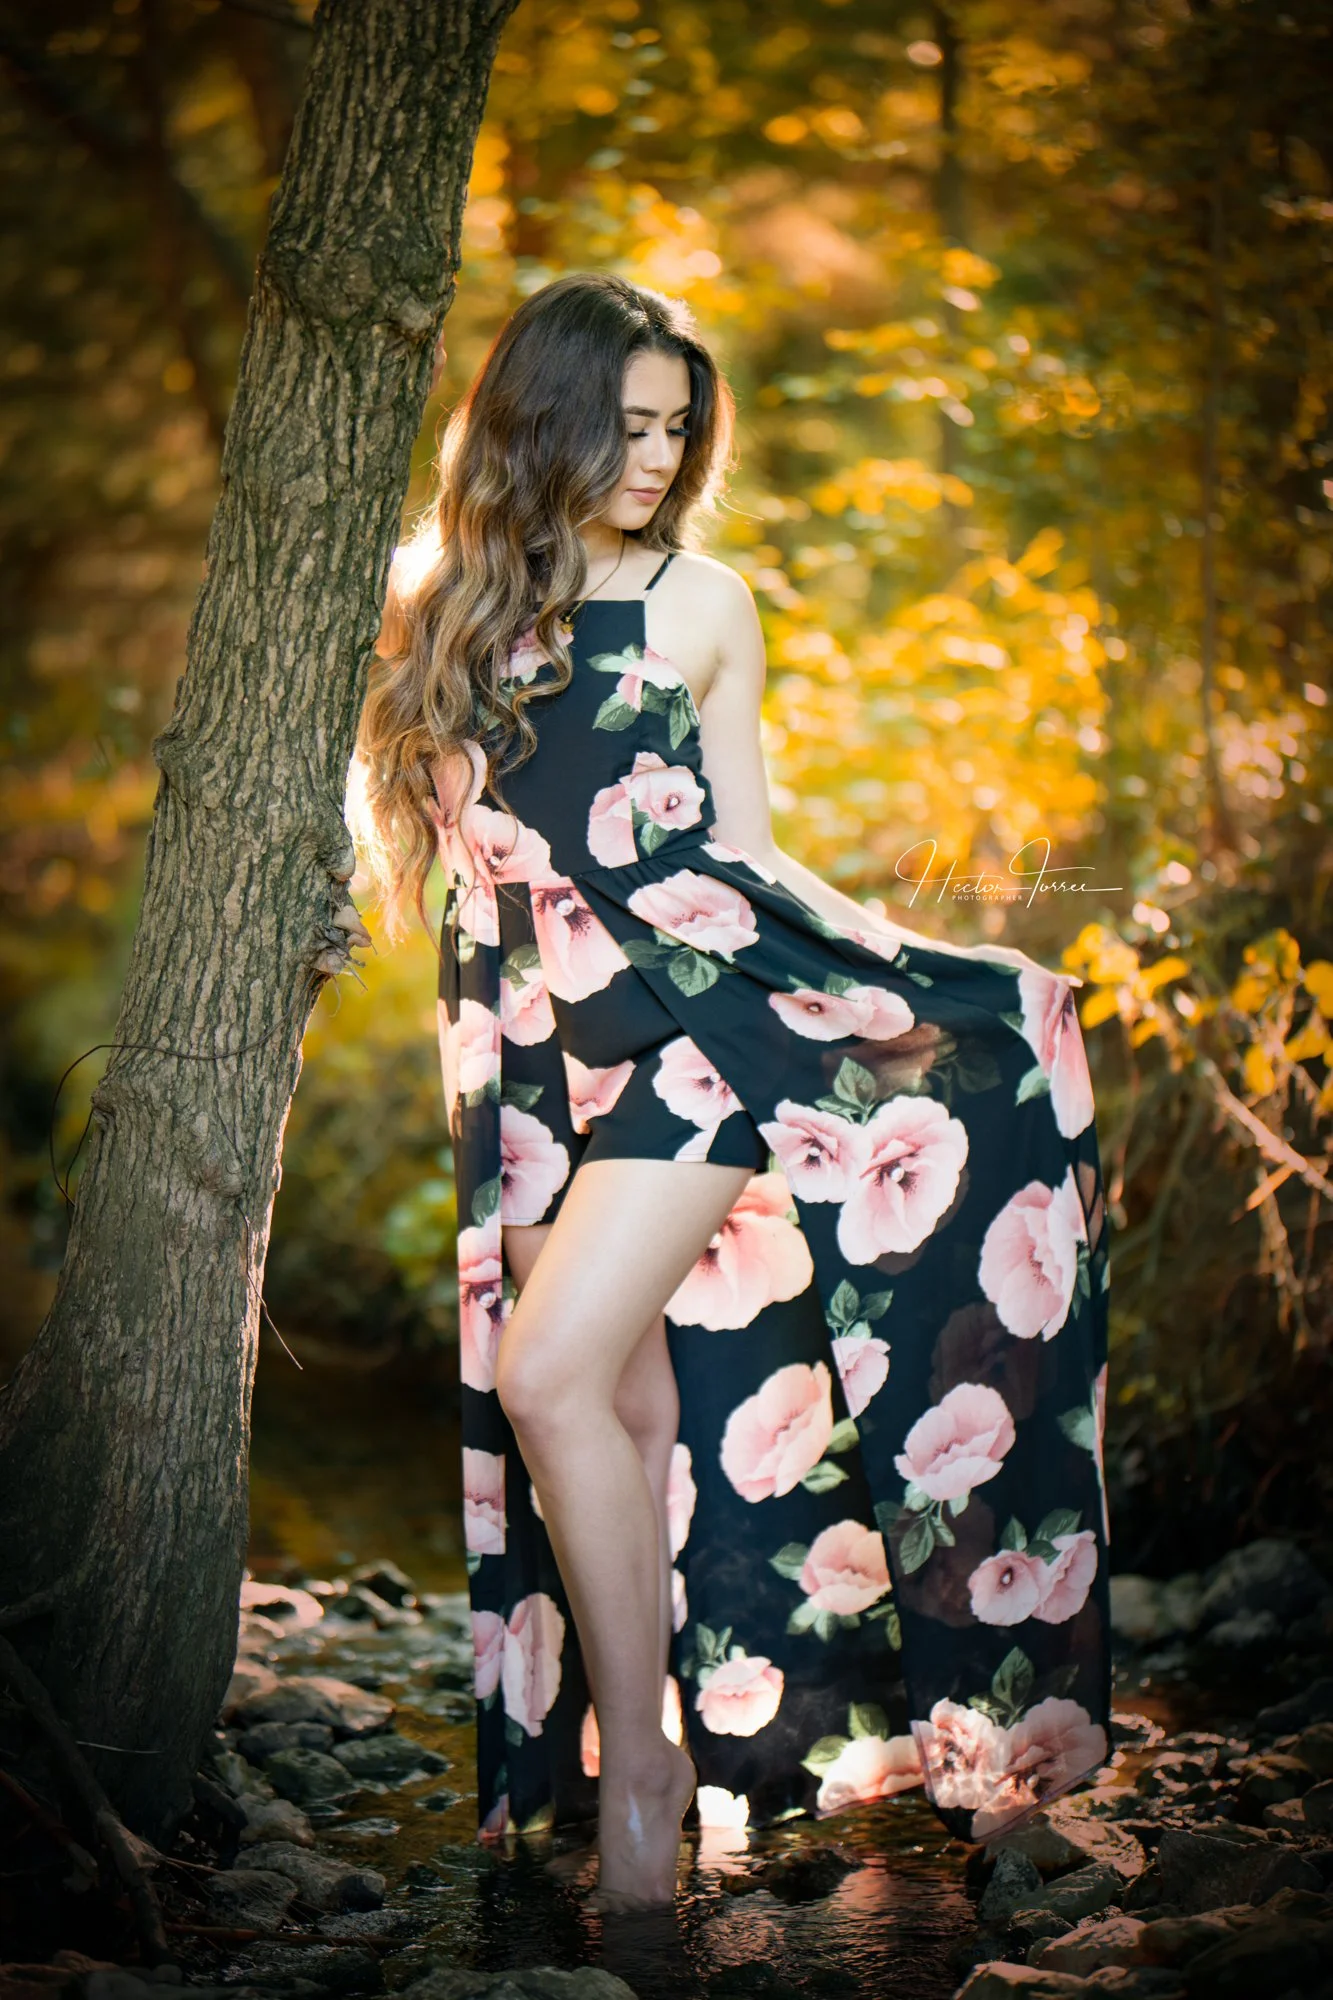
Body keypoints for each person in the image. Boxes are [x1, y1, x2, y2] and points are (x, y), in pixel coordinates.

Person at [353, 271, 1112, 1913]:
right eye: (623, 424)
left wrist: (930, 976)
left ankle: (648, 1775)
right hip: (529, 1053)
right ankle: (658, 1747)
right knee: (615, 1407)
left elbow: (749, 851)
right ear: (539, 418)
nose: (655, 455)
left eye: (675, 427)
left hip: (707, 1036)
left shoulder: (705, 599)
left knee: (545, 1381)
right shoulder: (438, 603)